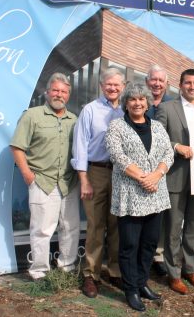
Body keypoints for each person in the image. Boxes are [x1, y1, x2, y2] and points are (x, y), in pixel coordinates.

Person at [106, 83, 174, 312]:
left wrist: (156, 175)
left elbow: (168, 153)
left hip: (156, 195)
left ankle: (142, 282)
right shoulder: (117, 126)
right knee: (129, 245)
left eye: (141, 100)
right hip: (130, 195)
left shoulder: (156, 126)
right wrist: (144, 177)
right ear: (126, 103)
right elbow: (116, 154)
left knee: (149, 244)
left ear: (147, 103)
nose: (137, 103)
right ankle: (131, 290)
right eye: (132, 100)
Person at [10, 73, 79, 280]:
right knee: (41, 230)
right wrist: (27, 174)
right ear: (47, 92)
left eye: (64, 91)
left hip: (69, 182)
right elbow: (17, 147)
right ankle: (39, 272)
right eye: (56, 90)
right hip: (42, 181)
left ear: (68, 95)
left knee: (70, 227)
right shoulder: (32, 115)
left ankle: (67, 268)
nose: (59, 94)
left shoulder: (74, 119)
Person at [155, 69, 194, 295]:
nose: (192, 86)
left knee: (193, 227)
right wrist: (176, 146)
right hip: (175, 177)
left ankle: (191, 269)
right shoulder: (166, 108)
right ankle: (174, 274)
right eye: (188, 83)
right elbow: (158, 136)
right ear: (180, 85)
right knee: (172, 229)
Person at [71, 68, 126, 297]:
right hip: (96, 172)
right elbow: (80, 145)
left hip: (122, 174)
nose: (112, 88)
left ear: (123, 87)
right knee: (95, 226)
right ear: (102, 86)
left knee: (117, 225)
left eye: (117, 85)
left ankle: (115, 272)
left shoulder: (127, 110)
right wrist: (84, 179)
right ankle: (91, 275)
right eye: (108, 84)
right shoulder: (90, 110)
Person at [145, 64, 172, 276]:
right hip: (139, 169)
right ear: (147, 81)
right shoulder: (138, 101)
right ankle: (142, 254)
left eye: (161, 80)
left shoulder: (173, 104)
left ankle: (158, 255)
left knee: (162, 214)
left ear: (166, 84)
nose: (157, 83)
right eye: (153, 79)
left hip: (165, 168)